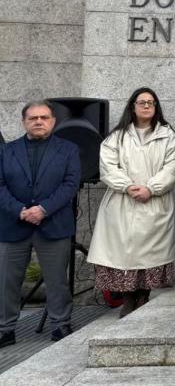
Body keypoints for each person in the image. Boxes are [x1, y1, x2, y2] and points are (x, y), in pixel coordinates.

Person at [89, 88, 175, 318]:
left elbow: (172, 167)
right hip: (123, 202)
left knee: (150, 254)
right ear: (133, 106)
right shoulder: (117, 136)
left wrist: (151, 188)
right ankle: (129, 299)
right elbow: (108, 166)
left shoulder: (167, 136)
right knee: (124, 254)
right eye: (142, 102)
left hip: (154, 202)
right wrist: (127, 186)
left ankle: (144, 296)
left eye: (151, 102)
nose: (147, 106)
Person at [0, 100, 81, 347]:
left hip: (54, 224)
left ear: (53, 121)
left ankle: (60, 324)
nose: (38, 121)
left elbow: (70, 184)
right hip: (14, 224)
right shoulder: (6, 150)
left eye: (44, 117)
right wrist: (21, 211)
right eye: (33, 118)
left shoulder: (68, 150)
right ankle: (5, 329)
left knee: (56, 279)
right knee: (6, 280)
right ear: (24, 122)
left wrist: (43, 209)